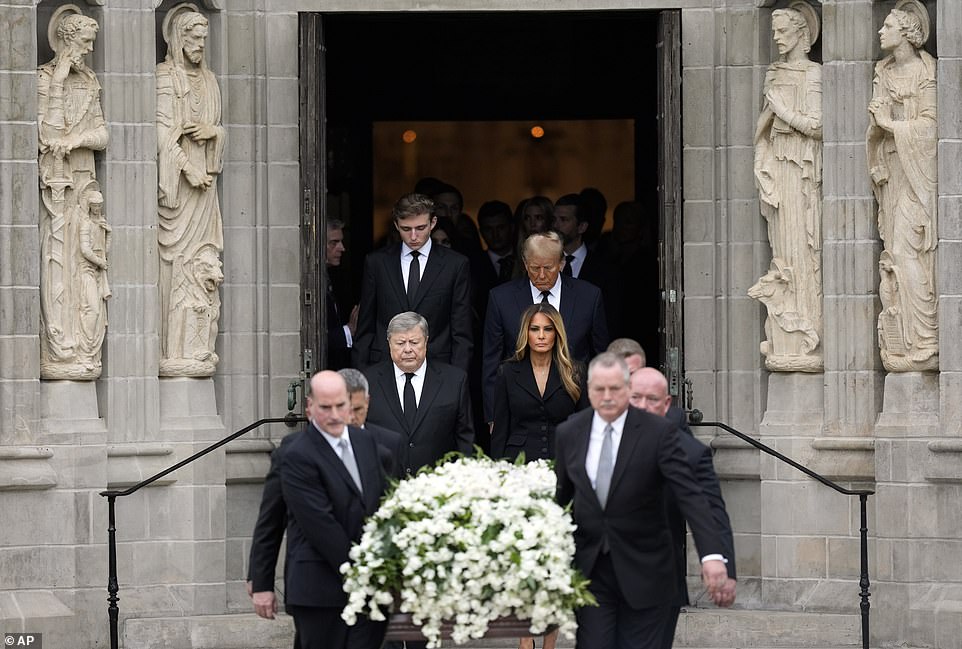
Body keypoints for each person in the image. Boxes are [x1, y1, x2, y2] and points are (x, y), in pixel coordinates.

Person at [554, 353, 730, 649]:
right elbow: (562, 501)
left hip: (647, 569)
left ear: (626, 389)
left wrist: (712, 556)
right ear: (588, 390)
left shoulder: (658, 433)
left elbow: (691, 496)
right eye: (600, 389)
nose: (607, 397)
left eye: (615, 389)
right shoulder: (569, 433)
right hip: (592, 571)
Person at [279, 371, 390, 649]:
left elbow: (379, 506)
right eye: (325, 407)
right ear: (309, 407)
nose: (334, 414)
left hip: (370, 590)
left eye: (341, 406)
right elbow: (321, 525)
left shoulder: (367, 443)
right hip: (321, 590)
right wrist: (368, 571)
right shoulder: (296, 454)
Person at [629, 367, 737, 649]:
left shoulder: (686, 448)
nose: (641, 406)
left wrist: (722, 563)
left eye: (651, 398)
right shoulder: (590, 438)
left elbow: (708, 508)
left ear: (666, 403)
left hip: (659, 576)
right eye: (634, 396)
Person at [37, 8, 109, 379]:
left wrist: (76, 139)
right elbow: (46, 134)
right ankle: (58, 343)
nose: (90, 48)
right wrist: (59, 81)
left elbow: (101, 134)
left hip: (85, 184)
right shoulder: (45, 78)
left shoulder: (91, 81)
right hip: (56, 187)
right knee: (57, 258)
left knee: (84, 263)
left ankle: (83, 343)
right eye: (85, 42)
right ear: (67, 41)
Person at [751, 2, 823, 371]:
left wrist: (782, 112)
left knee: (803, 251)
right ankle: (787, 334)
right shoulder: (773, 73)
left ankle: (805, 333)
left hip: (803, 173)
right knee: (783, 246)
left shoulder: (814, 76)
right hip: (778, 166)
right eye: (774, 32)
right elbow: (761, 128)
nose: (777, 38)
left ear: (802, 34)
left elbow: (819, 127)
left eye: (782, 31)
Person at [867, 2, 938, 371]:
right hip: (892, 173)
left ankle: (924, 338)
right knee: (893, 253)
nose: (880, 31)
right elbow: (876, 123)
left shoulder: (927, 70)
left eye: (888, 25)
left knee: (909, 251)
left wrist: (890, 124)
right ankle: (904, 338)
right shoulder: (882, 70)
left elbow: (930, 128)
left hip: (917, 175)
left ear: (907, 33)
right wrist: (879, 130)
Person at [156, 7, 227, 376]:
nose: (199, 45)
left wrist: (213, 133)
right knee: (177, 265)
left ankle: (197, 347)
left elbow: (216, 127)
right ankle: (176, 351)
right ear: (177, 38)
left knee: (205, 261)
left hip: (205, 188)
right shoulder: (165, 78)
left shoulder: (210, 80)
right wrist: (188, 168)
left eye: (203, 39)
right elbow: (161, 133)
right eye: (193, 38)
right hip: (182, 187)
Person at [483, 231, 608, 422]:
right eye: (534, 268)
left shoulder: (589, 297)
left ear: (562, 263)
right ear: (525, 264)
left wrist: (601, 410)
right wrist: (493, 417)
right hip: (520, 413)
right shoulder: (501, 298)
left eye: (548, 268)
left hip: (576, 408)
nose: (541, 275)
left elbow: (601, 357)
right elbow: (492, 361)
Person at [353, 193, 473, 372]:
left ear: (433, 223)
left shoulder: (455, 265)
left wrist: (456, 381)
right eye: (406, 229)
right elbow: (365, 327)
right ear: (396, 225)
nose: (414, 236)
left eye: (421, 228)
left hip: (437, 367)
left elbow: (461, 331)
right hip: (384, 367)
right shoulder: (377, 262)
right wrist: (360, 380)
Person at [363, 312, 475, 477]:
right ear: (389, 343)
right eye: (400, 343)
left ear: (426, 341)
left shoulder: (454, 381)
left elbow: (465, 440)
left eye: (414, 342)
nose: (407, 349)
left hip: (439, 486)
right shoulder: (367, 382)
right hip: (384, 486)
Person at [491, 303, 588, 462]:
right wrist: (497, 470)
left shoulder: (575, 371)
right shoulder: (507, 372)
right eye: (534, 329)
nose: (541, 335)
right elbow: (500, 430)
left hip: (564, 458)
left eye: (548, 329)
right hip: (518, 462)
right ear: (525, 333)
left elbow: (585, 425)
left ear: (557, 333)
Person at [553, 194, 623, 337]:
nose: (556, 226)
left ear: (582, 227)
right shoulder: (545, 265)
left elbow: (611, 322)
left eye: (564, 220)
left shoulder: (606, 270)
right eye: (554, 220)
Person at [326, 219, 358, 370]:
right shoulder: (308, 282)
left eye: (341, 241)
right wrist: (348, 330)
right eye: (334, 242)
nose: (342, 248)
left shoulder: (332, 277)